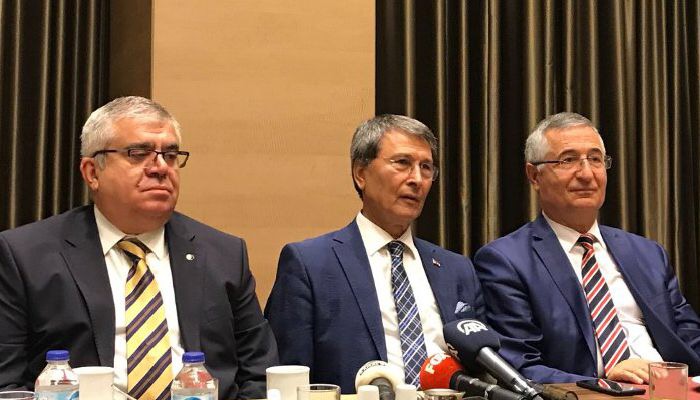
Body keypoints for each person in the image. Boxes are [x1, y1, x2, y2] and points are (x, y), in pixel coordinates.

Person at [0, 96, 278, 399]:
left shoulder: (223, 254)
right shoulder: (25, 256)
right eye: (138, 154)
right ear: (92, 172)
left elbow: (260, 376)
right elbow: (6, 385)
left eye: (170, 155)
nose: (160, 168)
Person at [474, 112, 700, 384]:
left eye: (595, 159)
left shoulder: (648, 253)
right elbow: (520, 367)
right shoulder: (505, 261)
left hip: (675, 388)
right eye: (568, 160)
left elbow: (690, 338)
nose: (586, 174)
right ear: (534, 176)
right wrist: (604, 381)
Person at [265, 114, 484, 393]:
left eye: (426, 167)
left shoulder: (457, 269)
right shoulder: (310, 264)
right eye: (402, 163)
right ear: (361, 174)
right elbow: (289, 380)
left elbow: (482, 365)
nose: (417, 179)